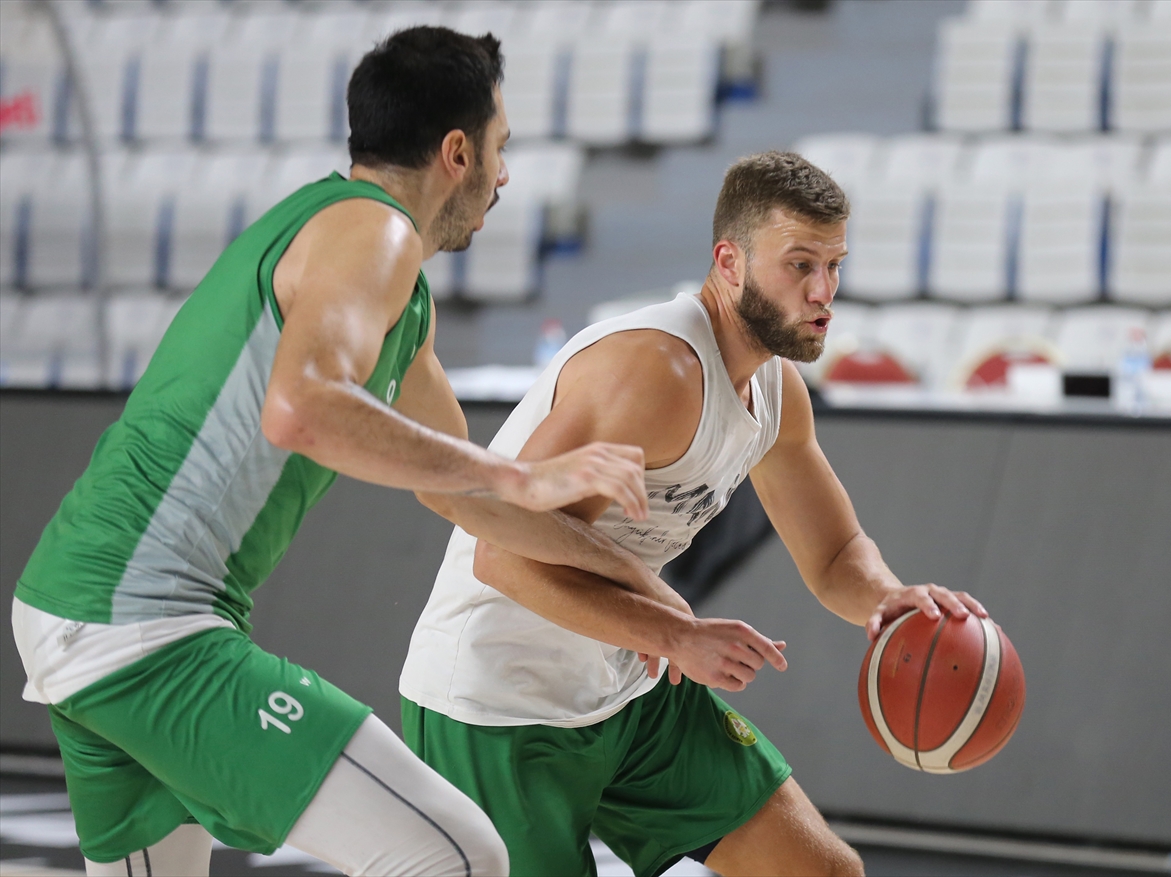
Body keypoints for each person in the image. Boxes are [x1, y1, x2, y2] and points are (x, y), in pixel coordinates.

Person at [8, 26, 689, 877]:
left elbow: (463, 497)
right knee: (460, 853)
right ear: (456, 151)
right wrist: (515, 468)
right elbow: (304, 410)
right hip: (141, 618)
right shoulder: (374, 233)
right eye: (500, 148)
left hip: (77, 606)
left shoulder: (373, 269)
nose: (505, 174)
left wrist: (642, 588)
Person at [399, 151, 990, 877]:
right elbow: (503, 553)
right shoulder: (657, 370)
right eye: (800, 265)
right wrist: (673, 629)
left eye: (834, 266)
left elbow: (837, 556)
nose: (823, 291)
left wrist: (890, 598)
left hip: (627, 687)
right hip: (497, 701)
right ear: (729, 262)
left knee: (823, 871)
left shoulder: (776, 389)